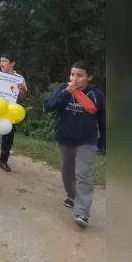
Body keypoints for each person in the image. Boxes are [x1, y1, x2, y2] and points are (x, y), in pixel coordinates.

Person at [44, 61, 106, 228]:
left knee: (83, 174)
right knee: (67, 171)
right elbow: (49, 106)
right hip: (65, 138)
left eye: (79, 75)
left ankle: (82, 212)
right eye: (72, 74)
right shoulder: (63, 89)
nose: (75, 78)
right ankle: (72, 195)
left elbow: (103, 119)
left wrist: (103, 142)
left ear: (89, 77)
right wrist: (65, 93)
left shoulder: (96, 94)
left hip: (87, 141)